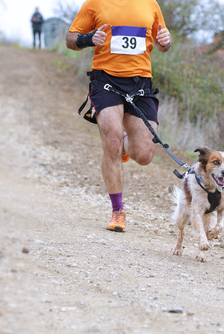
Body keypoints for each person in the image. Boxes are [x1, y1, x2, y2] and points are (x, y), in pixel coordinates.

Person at [66, 0, 172, 232]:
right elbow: (70, 38)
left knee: (144, 154)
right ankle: (118, 211)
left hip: (141, 82)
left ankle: (126, 146)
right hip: (105, 80)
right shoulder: (95, 3)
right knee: (111, 139)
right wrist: (88, 39)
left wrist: (166, 42)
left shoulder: (150, 4)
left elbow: (163, 41)